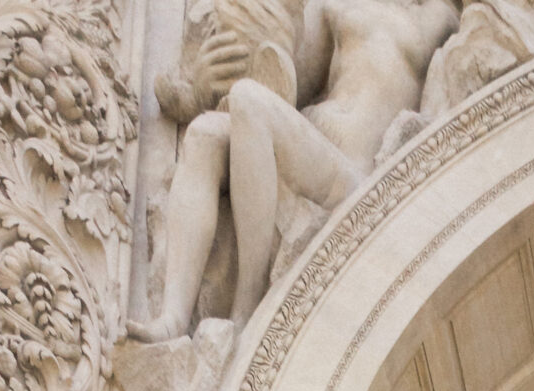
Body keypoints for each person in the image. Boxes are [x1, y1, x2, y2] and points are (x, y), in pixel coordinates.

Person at [132, 0, 459, 342]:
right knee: (204, 135)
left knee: (248, 100)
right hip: (312, 141)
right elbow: (282, 79)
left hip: (357, 175)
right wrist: (200, 90)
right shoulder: (341, 7)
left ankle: (248, 306)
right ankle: (172, 318)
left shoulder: (445, 15)